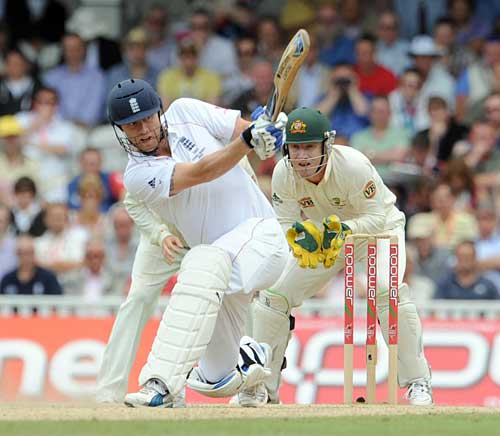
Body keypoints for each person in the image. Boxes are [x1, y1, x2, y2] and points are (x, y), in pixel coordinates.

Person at [105, 78, 289, 407]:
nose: (144, 130)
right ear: (120, 131)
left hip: (263, 238)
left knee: (200, 262)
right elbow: (202, 172)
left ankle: (159, 383)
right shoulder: (137, 174)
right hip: (219, 273)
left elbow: (243, 131)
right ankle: (253, 372)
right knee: (216, 378)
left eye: (147, 118)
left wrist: (267, 132)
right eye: (132, 125)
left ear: (158, 112)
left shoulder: (187, 110)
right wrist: (249, 139)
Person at [234, 107, 433, 407]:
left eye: (309, 147)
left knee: (386, 291)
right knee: (274, 296)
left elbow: (377, 217)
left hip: (379, 231)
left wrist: (340, 230)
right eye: (296, 147)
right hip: (326, 237)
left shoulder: (353, 165)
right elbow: (285, 222)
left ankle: (418, 381)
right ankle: (260, 387)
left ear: (326, 144)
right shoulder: (283, 174)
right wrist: (300, 240)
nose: (302, 157)